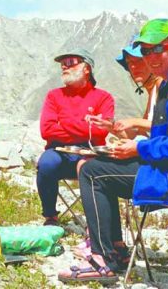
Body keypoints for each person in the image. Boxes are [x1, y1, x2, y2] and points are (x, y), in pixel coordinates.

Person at [59, 18, 168, 285]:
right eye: (146, 51)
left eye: (158, 49)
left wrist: (138, 147)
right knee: (98, 166)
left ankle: (101, 258)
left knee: (93, 173)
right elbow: (163, 139)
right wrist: (131, 146)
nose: (151, 57)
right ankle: (114, 249)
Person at [37, 48, 114, 226]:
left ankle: (97, 222)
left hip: (90, 152)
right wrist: (84, 125)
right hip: (58, 152)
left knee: (95, 168)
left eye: (71, 62)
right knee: (46, 163)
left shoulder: (103, 97)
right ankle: (50, 216)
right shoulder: (54, 95)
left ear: (86, 68)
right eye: (63, 64)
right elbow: (46, 130)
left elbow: (101, 131)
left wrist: (63, 123)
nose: (64, 66)